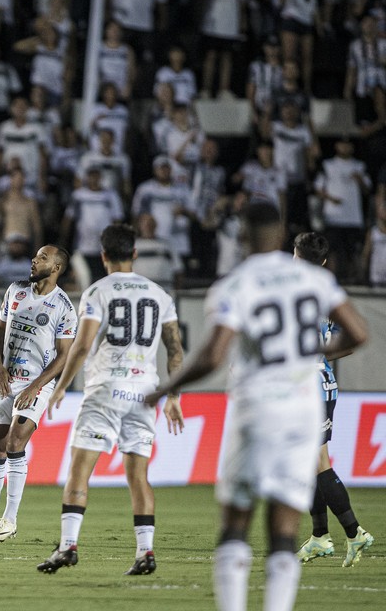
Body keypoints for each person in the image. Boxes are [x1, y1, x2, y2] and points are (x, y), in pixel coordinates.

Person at [145, 204, 367, 611]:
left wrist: (165, 389)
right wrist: (308, 351)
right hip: (302, 410)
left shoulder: (237, 284)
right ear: (281, 235)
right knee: (285, 529)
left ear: (243, 235)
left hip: (257, 409)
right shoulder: (314, 280)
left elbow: (212, 356)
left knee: (235, 524)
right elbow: (359, 331)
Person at [37, 224, 184, 576]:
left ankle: (68, 546)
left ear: (102, 256)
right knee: (138, 476)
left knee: (79, 471)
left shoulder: (97, 292)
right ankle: (145, 552)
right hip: (145, 393)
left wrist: (61, 385)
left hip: (105, 390)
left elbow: (84, 345)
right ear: (134, 254)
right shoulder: (161, 295)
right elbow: (175, 350)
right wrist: (174, 396)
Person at [0, 245, 77, 545]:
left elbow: (64, 356)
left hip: (36, 384)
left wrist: (36, 385)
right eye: (35, 256)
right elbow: (0, 329)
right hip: (6, 380)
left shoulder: (64, 307)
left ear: (56, 268)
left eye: (42, 258)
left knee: (15, 442)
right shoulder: (15, 291)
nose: (34, 260)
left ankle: (10, 520)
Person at [292, 233, 375, 567]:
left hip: (303, 385)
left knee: (318, 463)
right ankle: (319, 536)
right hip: (323, 380)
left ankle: (354, 533)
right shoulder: (328, 292)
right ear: (324, 262)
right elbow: (353, 340)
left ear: (294, 256)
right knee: (310, 462)